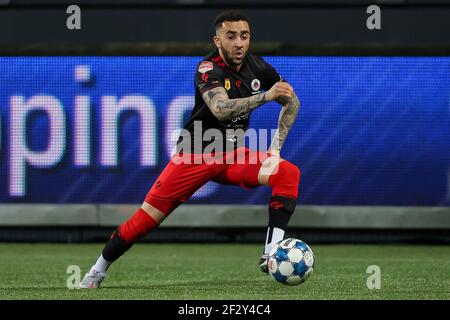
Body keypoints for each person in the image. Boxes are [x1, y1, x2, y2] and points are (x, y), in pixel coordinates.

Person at [80, 10, 300, 289]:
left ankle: (271, 253)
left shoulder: (258, 67)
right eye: (231, 36)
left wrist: (275, 148)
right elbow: (220, 110)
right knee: (145, 221)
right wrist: (266, 96)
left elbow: (292, 100)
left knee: (288, 173)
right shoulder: (208, 68)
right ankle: (98, 270)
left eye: (244, 36)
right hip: (196, 155)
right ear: (217, 40)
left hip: (233, 154)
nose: (239, 43)